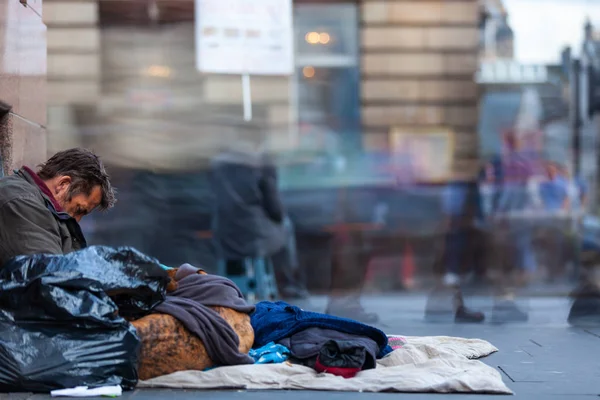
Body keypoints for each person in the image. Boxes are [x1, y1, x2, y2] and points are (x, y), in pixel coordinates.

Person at [209, 136, 309, 300]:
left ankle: (234, 284)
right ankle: (291, 284)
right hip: (254, 237)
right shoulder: (260, 162)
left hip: (224, 235)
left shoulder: (216, 163)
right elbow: (275, 209)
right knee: (287, 226)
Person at [0, 148, 116, 267]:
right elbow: (48, 274)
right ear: (63, 184)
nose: (77, 220)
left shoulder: (33, 203)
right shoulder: (22, 201)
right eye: (78, 209)